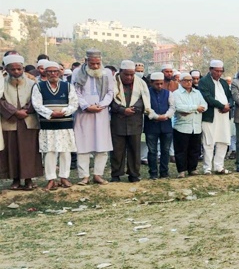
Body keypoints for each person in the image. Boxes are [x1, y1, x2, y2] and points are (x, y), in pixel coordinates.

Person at [31, 61, 79, 190]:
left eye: (55, 71)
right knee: (49, 152)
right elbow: (37, 104)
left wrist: (63, 112)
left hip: (65, 123)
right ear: (45, 73)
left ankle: (64, 177)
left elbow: (74, 103)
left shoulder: (67, 86)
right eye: (50, 71)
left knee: (65, 151)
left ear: (59, 72)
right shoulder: (39, 86)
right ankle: (51, 179)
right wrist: (51, 113)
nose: (53, 74)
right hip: (48, 124)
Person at [0, 55, 43, 190]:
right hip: (10, 121)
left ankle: (29, 180)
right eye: (13, 70)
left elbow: (36, 100)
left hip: (28, 121)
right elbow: (1, 100)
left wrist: (25, 110)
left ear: (23, 68)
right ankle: (15, 180)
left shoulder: (32, 83)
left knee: (29, 151)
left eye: (19, 69)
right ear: (7, 69)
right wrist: (14, 112)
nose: (17, 72)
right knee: (12, 152)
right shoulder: (2, 83)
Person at [73, 49, 115, 185]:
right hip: (83, 112)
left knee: (102, 145)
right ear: (86, 61)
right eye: (93, 64)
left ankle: (98, 175)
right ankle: (84, 176)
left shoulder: (107, 73)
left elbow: (110, 92)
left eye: (98, 63)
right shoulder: (77, 72)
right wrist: (85, 106)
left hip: (101, 112)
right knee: (82, 145)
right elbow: (75, 92)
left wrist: (101, 105)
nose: (96, 66)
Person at [110, 60, 151, 183]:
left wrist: (132, 109)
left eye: (131, 74)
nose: (129, 77)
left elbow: (143, 99)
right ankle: (116, 175)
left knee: (135, 150)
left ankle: (134, 175)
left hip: (135, 120)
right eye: (126, 74)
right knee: (117, 150)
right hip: (118, 121)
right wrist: (122, 110)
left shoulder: (141, 83)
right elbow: (109, 100)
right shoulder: (112, 84)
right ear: (120, 72)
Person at [198, 60, 234, 175]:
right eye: (216, 71)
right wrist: (222, 106)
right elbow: (207, 97)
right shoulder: (203, 81)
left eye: (220, 71)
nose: (219, 73)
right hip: (210, 116)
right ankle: (207, 168)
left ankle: (219, 166)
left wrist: (229, 105)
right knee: (209, 142)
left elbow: (230, 96)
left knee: (223, 141)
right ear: (210, 70)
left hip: (224, 115)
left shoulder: (223, 82)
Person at [173, 72, 207, 178]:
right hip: (182, 126)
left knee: (194, 149)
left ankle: (192, 168)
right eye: (186, 80)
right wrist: (196, 108)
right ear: (180, 81)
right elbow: (179, 107)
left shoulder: (197, 93)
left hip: (196, 126)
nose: (189, 82)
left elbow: (204, 106)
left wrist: (190, 109)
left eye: (190, 80)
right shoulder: (176, 93)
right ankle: (181, 170)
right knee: (181, 150)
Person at [143, 72, 175, 179]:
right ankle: (153, 173)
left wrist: (166, 116)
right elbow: (146, 108)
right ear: (151, 83)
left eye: (161, 83)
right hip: (151, 126)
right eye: (157, 84)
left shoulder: (168, 93)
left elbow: (172, 107)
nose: (160, 86)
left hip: (166, 126)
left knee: (165, 150)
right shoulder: (146, 93)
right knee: (152, 151)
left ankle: (164, 173)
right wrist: (156, 117)